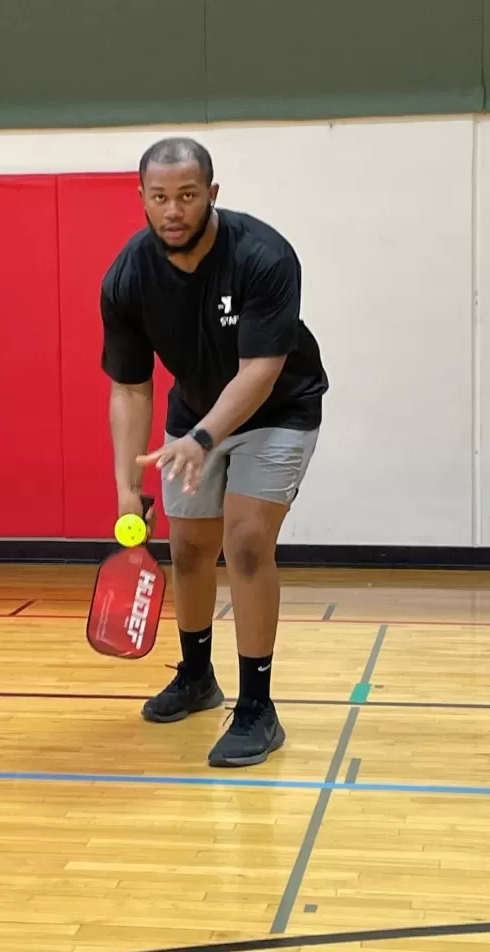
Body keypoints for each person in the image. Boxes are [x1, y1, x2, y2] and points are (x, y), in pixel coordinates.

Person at [99, 137, 329, 768]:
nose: (173, 210)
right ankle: (197, 676)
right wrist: (126, 486)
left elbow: (259, 371)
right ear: (142, 199)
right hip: (192, 415)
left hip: (278, 410)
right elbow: (130, 386)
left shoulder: (263, 256)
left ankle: (258, 707)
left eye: (188, 195)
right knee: (191, 547)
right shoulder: (128, 275)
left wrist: (203, 440)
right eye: (160, 197)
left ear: (212, 195)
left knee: (247, 541)